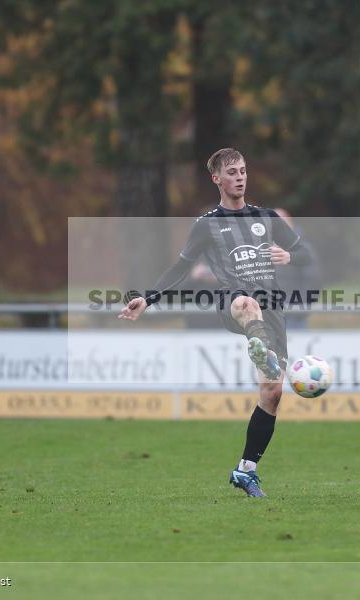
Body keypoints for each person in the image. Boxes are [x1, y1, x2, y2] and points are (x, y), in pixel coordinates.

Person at [118, 148, 312, 498]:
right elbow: (180, 267)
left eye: (243, 171)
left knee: (272, 393)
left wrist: (290, 255)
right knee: (246, 302)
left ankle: (246, 470)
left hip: (274, 314)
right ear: (217, 179)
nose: (240, 177)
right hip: (232, 304)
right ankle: (260, 350)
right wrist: (147, 298)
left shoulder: (266, 217)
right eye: (233, 172)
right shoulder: (207, 224)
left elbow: (306, 255)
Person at [272, 208, 323, 329]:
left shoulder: (303, 250)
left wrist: (301, 308)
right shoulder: (263, 249)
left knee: (296, 347)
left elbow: (313, 280)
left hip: (293, 315)